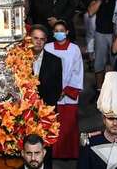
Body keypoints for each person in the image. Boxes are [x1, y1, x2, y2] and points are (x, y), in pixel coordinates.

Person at [45, 20, 83, 161]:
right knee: (53, 125)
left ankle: (69, 153)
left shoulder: (74, 49)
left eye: (62, 30)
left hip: (68, 94)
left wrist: (66, 90)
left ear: (67, 32)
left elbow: (77, 71)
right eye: (56, 31)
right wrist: (53, 90)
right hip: (51, 94)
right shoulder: (47, 48)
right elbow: (45, 71)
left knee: (69, 125)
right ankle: (53, 153)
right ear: (53, 33)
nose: (59, 33)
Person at [29, 25, 62, 108]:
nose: (38, 42)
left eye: (42, 39)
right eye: (35, 38)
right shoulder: (19, 58)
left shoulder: (55, 61)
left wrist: (44, 109)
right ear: (29, 39)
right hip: (24, 109)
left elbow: (57, 89)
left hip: (46, 109)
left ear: (46, 41)